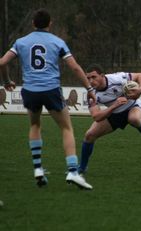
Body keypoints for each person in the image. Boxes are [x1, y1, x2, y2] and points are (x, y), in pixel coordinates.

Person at [0, 9, 95, 189]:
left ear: (33, 24)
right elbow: (74, 67)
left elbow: (2, 63)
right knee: (66, 128)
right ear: (50, 24)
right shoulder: (57, 42)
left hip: (30, 90)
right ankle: (73, 171)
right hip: (51, 89)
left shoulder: (21, 42)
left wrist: (7, 81)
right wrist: (89, 88)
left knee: (35, 125)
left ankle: (37, 168)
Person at [78, 64, 141, 174]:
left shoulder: (117, 78)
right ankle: (82, 168)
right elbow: (96, 116)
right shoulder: (91, 93)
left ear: (102, 76)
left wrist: (140, 89)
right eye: (88, 78)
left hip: (133, 106)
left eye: (94, 77)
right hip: (114, 113)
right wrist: (114, 106)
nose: (91, 81)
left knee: (134, 119)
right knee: (89, 135)